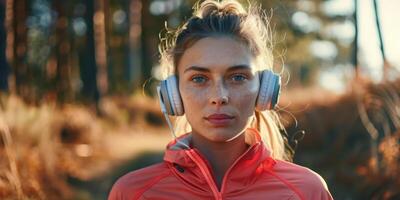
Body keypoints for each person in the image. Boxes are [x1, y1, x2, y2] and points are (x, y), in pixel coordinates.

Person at [108, 0, 333, 199]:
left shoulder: (307, 191)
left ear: (264, 89)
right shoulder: (132, 193)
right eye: (199, 79)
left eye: (237, 77)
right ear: (173, 93)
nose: (219, 97)